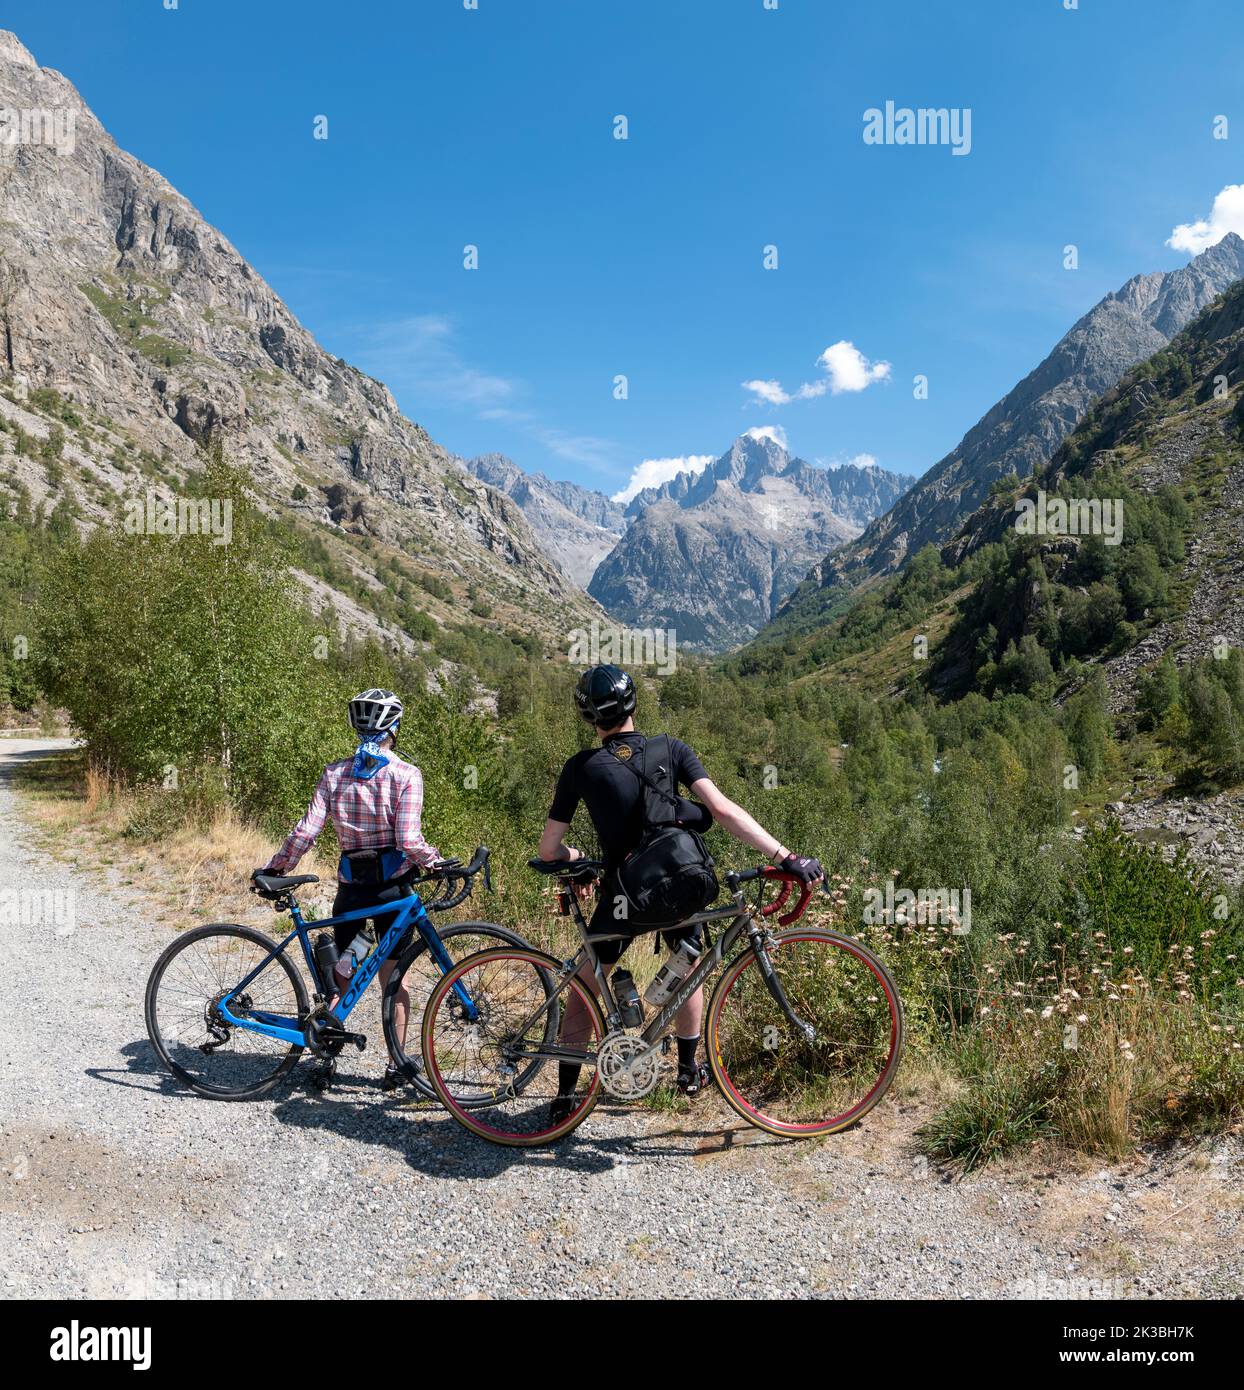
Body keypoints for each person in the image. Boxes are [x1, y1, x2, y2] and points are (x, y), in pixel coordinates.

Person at [536, 663, 824, 1122]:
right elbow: (724, 811)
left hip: (623, 895)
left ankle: (567, 1097)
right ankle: (689, 1072)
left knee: (585, 988)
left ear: (590, 717)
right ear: (633, 704)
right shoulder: (672, 748)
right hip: (676, 883)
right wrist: (786, 856)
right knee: (690, 966)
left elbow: (549, 850)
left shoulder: (580, 768)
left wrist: (576, 859)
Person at [256, 688, 441, 1090]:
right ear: (394, 728)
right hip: (393, 891)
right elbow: (409, 840)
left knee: (344, 975)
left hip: (352, 890)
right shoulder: (407, 775)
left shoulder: (334, 773)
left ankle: (326, 1051)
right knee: (394, 980)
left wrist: (277, 867)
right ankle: (397, 1065)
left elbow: (307, 831)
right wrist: (436, 861)